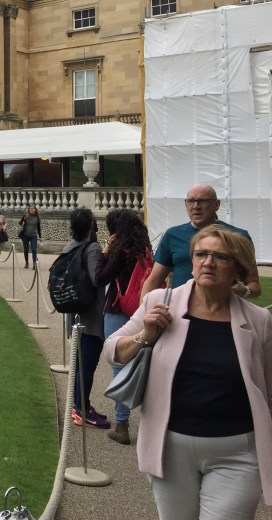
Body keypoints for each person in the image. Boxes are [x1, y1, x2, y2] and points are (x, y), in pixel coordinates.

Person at [104, 225, 272, 518]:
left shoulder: (259, 320)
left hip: (236, 453)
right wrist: (145, 335)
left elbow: (268, 390)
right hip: (170, 449)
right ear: (191, 261)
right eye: (201, 254)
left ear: (238, 269)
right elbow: (112, 350)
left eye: (220, 257)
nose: (208, 262)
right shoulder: (160, 302)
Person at [142, 184, 261, 300]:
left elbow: (254, 285)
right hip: (180, 312)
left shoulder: (237, 237)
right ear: (185, 204)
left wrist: (244, 291)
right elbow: (153, 281)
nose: (196, 206)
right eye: (191, 201)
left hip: (224, 311)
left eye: (203, 201)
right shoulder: (173, 235)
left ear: (217, 204)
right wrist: (142, 314)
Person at [95, 208, 152, 445]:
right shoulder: (145, 250)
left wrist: (105, 252)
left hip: (119, 310)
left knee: (118, 364)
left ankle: (121, 424)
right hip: (140, 311)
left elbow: (100, 278)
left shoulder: (120, 252)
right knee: (143, 365)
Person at [62, 207, 110, 429]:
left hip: (75, 313)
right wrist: (107, 256)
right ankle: (81, 410)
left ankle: (79, 405)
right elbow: (97, 279)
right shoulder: (93, 248)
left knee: (80, 364)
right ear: (91, 226)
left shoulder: (69, 246)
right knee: (87, 365)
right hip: (90, 316)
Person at [17, 204, 42, 269]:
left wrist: (40, 236)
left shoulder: (37, 217)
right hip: (25, 235)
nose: (31, 209)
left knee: (34, 249)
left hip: (33, 235)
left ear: (35, 210)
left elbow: (38, 228)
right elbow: (20, 223)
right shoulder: (25, 216)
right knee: (26, 249)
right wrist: (23, 223)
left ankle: (34, 263)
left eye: (33, 208)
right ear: (28, 209)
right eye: (30, 208)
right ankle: (27, 262)